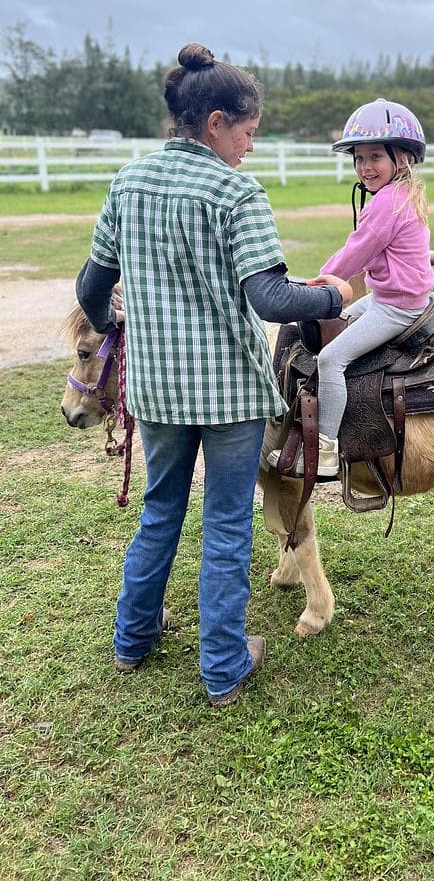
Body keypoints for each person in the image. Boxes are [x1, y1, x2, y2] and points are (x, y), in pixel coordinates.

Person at [75, 43, 353, 707]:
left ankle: (133, 637)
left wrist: (113, 323)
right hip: (228, 393)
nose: (251, 147)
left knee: (160, 510)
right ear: (216, 122)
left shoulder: (128, 181)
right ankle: (224, 664)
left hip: (157, 392)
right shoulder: (235, 191)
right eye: (249, 133)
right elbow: (270, 300)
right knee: (227, 524)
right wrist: (334, 298)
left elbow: (92, 286)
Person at [270, 97, 434, 478]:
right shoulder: (399, 196)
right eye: (359, 158)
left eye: (375, 156)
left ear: (403, 158)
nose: (365, 167)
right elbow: (355, 247)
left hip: (397, 307)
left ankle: (326, 449)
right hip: (387, 298)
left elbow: (355, 254)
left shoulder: (388, 204)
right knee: (340, 319)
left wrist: (312, 288)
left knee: (331, 358)